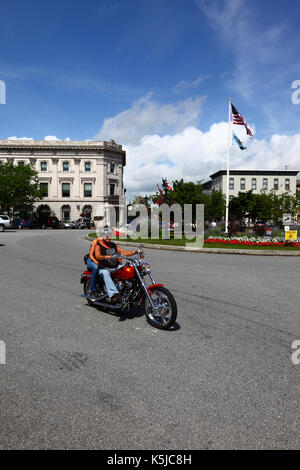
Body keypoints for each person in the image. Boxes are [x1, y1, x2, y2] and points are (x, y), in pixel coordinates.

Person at [87, 226, 139, 304]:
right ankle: (114, 294)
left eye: (110, 235)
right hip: (103, 267)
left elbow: (125, 253)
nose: (108, 237)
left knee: (127, 269)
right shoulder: (98, 245)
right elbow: (97, 256)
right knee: (105, 273)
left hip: (114, 265)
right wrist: (105, 257)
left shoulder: (113, 245)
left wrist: (135, 251)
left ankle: (130, 289)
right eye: (106, 235)